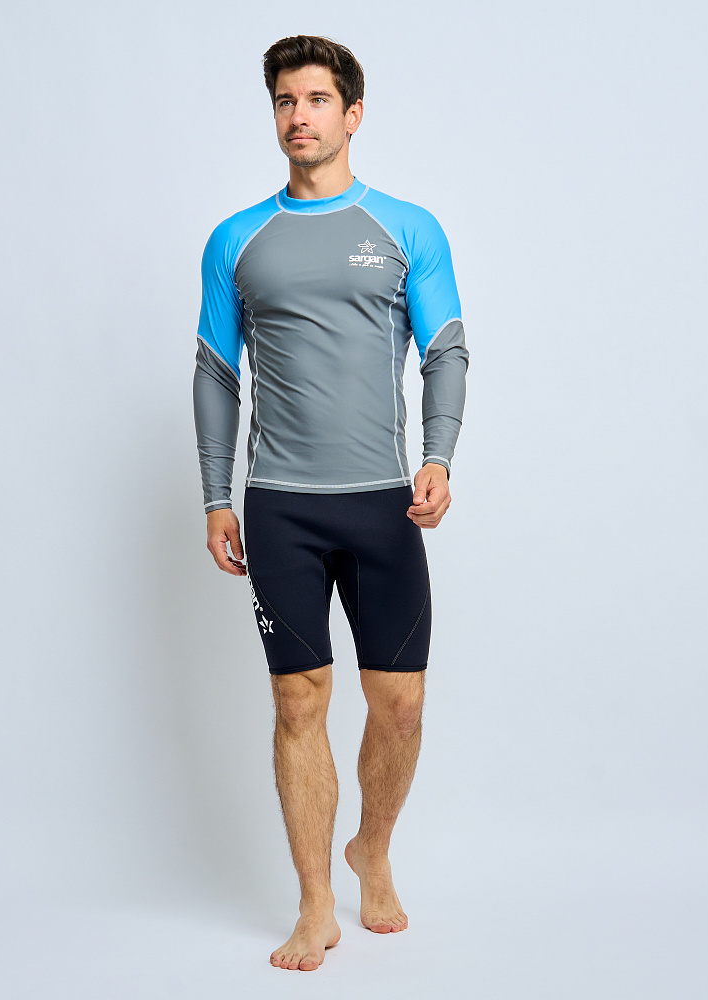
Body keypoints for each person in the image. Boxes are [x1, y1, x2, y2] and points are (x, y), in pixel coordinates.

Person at [192, 34, 469, 972]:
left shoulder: (406, 228)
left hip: (384, 503)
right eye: (284, 100)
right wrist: (216, 495)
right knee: (298, 699)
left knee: (399, 704)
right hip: (282, 507)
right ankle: (315, 902)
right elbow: (216, 372)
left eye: (315, 100)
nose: (298, 116)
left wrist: (439, 458)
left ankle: (371, 851)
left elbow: (446, 349)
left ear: (352, 114)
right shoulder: (237, 239)